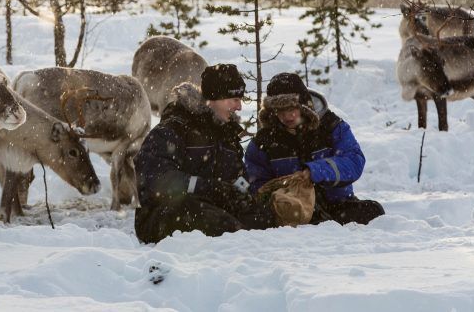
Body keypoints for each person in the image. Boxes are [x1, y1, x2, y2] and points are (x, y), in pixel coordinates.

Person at [134, 64, 276, 244]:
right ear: (215, 98)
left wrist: (240, 192)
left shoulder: (227, 136)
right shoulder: (174, 128)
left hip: (213, 209)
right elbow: (154, 178)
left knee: (263, 222)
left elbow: (238, 177)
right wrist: (205, 187)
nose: (239, 107)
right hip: (165, 214)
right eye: (234, 99)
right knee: (225, 227)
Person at [244, 72, 384, 225]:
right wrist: (282, 190)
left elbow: (354, 161)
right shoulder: (263, 141)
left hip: (337, 205)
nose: (287, 116)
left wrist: (315, 172)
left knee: (373, 211)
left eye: (292, 108)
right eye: (280, 110)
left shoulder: (331, 126)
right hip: (293, 211)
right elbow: (256, 184)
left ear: (304, 105)